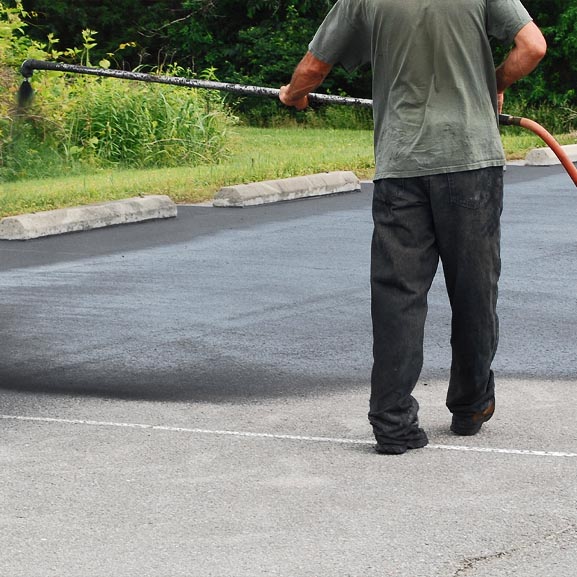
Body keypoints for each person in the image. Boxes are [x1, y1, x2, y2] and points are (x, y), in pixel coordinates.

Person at [279, 0, 546, 454]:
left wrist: (292, 95)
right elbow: (532, 47)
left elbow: (313, 67)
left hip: (401, 166)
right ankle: (470, 405)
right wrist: (493, 84)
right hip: (471, 164)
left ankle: (393, 422)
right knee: (474, 290)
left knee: (397, 295)